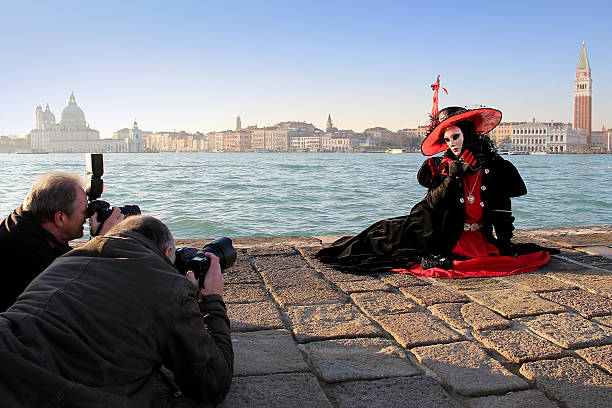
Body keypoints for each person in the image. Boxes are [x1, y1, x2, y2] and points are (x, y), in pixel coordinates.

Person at [316, 76, 552, 277]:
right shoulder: (439, 165)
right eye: (447, 140)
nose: (451, 144)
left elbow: (502, 208)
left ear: (468, 134)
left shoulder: (497, 167)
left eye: (455, 137)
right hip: (435, 233)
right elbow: (433, 206)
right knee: (380, 237)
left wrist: (505, 242)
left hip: (478, 239)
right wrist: (452, 177)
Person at [0, 215, 233, 407]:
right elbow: (213, 384)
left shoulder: (62, 261)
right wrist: (212, 299)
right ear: (167, 252)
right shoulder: (168, 288)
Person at [0, 172, 123, 311]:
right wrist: (101, 243)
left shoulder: (23, 221)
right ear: (60, 218)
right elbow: (79, 294)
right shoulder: (30, 253)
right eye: (84, 211)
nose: (88, 216)